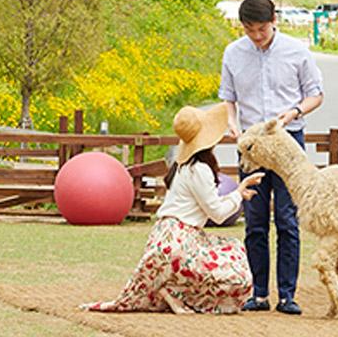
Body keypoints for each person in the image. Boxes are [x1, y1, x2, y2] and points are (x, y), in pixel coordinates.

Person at [81, 102, 264, 314]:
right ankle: (174, 291)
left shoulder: (181, 166)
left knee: (221, 259)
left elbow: (211, 206)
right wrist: (239, 192)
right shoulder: (200, 169)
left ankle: (169, 290)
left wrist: (236, 195)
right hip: (183, 240)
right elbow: (219, 214)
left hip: (163, 235)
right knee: (237, 273)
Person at [220, 0, 324, 316]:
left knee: (287, 219)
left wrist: (293, 113)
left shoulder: (296, 51)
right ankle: (259, 293)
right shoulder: (233, 53)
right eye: (249, 30)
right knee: (253, 219)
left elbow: (316, 94)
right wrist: (232, 125)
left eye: (261, 29)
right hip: (251, 144)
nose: (256, 36)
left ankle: (288, 295)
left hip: (288, 140)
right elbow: (228, 98)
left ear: (274, 21)